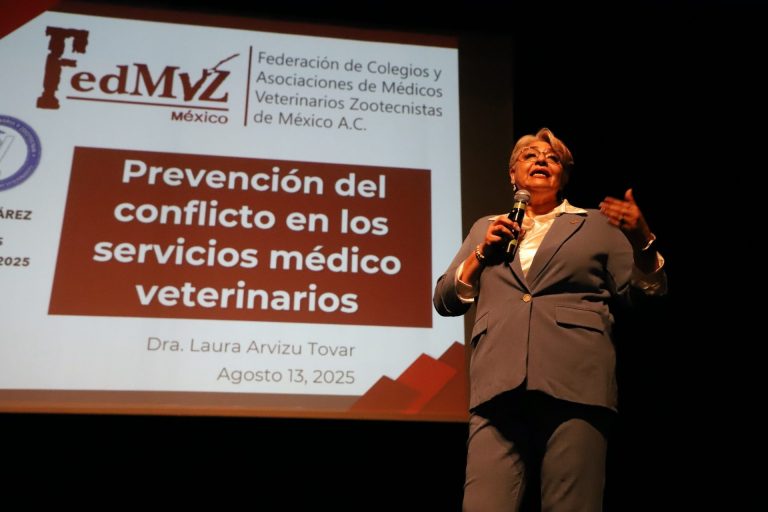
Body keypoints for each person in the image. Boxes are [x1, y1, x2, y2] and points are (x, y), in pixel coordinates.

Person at [433, 127, 666, 511]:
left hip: (576, 380)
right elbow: (445, 300)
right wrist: (481, 253)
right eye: (530, 155)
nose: (541, 160)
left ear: (564, 176)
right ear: (512, 174)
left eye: (552, 158)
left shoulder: (596, 224)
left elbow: (645, 294)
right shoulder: (486, 228)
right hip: (497, 384)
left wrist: (643, 241)